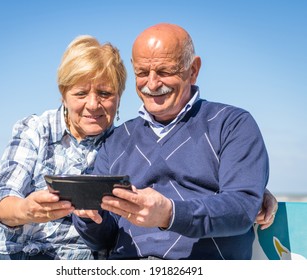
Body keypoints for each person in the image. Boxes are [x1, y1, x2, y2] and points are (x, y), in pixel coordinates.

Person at [72, 23, 277, 260]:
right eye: (141, 72)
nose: (152, 83)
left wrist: (170, 214)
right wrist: (88, 218)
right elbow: (104, 239)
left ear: (193, 70)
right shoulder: (117, 139)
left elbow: (242, 207)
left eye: (164, 71)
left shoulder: (232, 124)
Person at [0, 35, 127, 260]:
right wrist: (25, 210)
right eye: (81, 93)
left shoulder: (125, 144)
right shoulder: (35, 129)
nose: (93, 104)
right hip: (9, 255)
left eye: (105, 93)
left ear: (119, 96)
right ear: (63, 95)